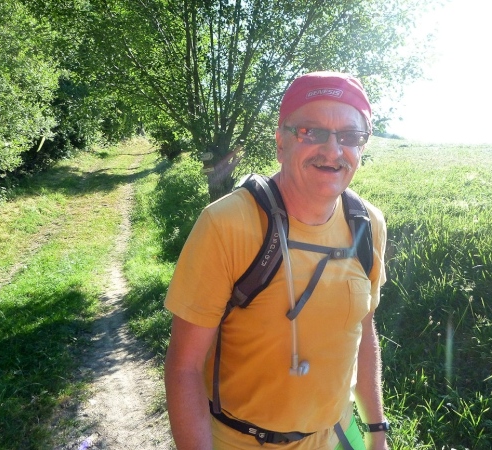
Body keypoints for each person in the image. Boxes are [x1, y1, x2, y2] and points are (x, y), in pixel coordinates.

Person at [164, 71, 389, 450]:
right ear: (281, 143)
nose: (333, 150)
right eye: (310, 132)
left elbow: (363, 332)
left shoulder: (368, 224)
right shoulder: (227, 224)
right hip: (241, 441)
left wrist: (376, 433)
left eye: (350, 136)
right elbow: (184, 367)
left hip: (336, 435)